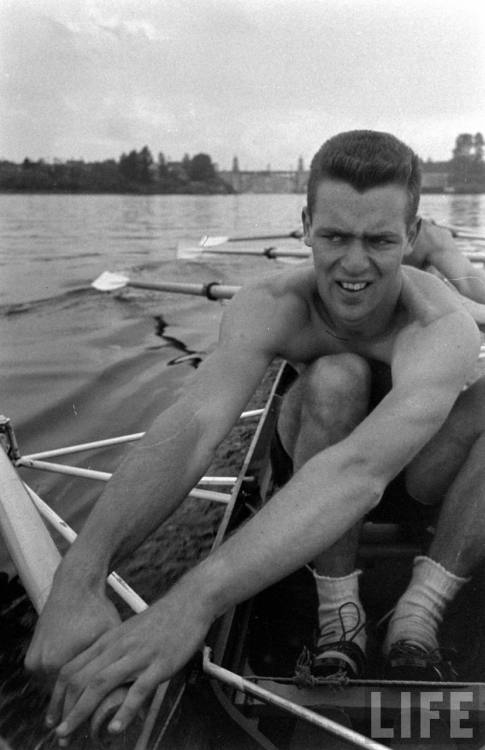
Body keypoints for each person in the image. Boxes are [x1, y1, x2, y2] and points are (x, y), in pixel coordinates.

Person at [26, 130, 485, 743]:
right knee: (337, 377)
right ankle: (337, 613)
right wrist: (78, 574)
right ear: (305, 227)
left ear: (411, 235)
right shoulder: (268, 305)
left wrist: (190, 603)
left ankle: (420, 607)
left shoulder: (444, 324)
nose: (353, 264)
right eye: (334, 237)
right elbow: (191, 430)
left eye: (378, 240)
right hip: (317, 455)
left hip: (407, 471)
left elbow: (357, 474)